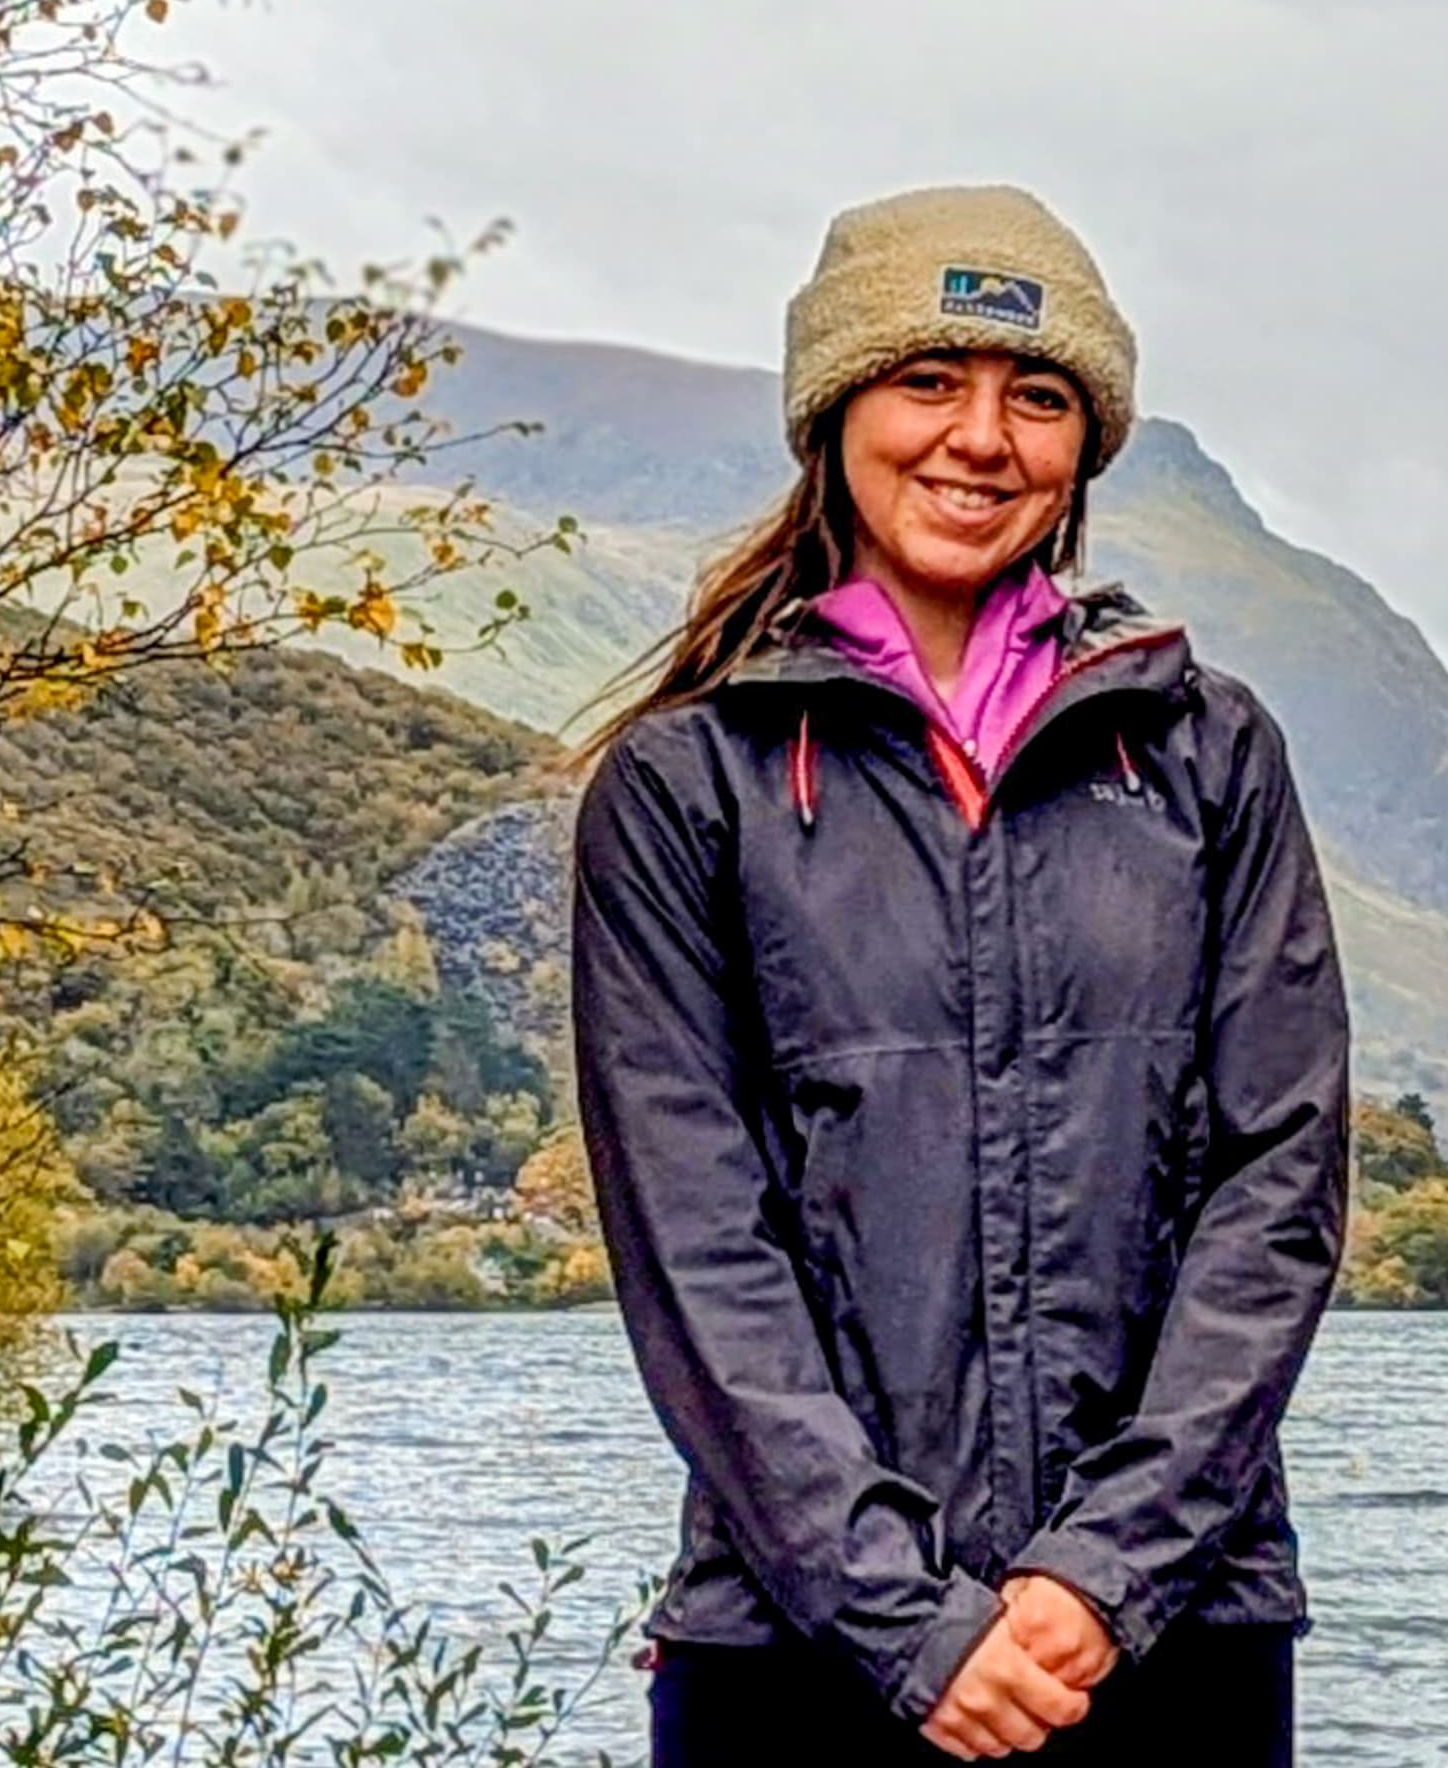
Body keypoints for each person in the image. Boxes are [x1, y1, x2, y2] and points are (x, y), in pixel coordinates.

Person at [567, 184, 1351, 1764]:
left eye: (1037, 398)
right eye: (929, 379)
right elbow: (697, 1247)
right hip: (795, 1650)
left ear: (1086, 445)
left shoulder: (1210, 756)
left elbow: (1278, 1183)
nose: (981, 439)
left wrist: (1105, 1572)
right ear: (836, 411)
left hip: (1171, 1637)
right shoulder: (685, 786)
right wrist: (903, 1620)